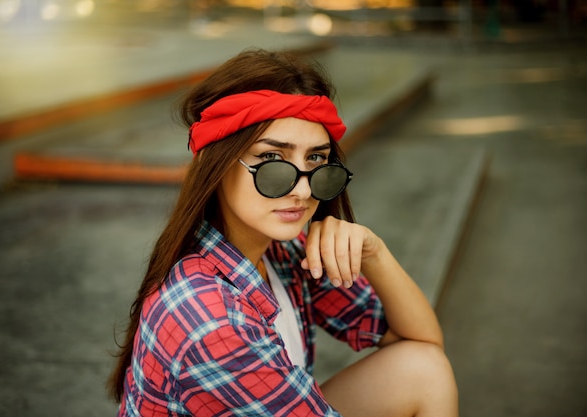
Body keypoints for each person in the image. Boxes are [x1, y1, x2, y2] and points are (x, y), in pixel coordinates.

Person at [108, 48, 458, 417]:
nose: (304, 192)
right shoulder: (211, 319)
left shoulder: (284, 253)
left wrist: (376, 254)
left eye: (316, 160)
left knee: (424, 370)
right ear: (219, 163)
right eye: (273, 160)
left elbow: (421, 343)